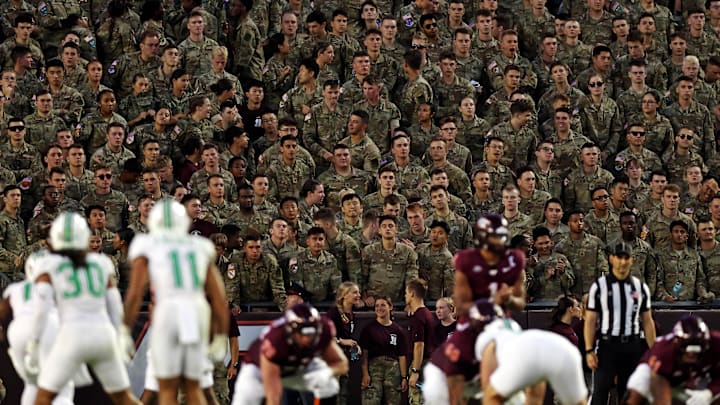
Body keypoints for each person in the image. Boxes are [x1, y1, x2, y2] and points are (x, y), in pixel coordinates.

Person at [25, 213, 141, 405]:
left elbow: (41, 311)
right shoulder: (101, 263)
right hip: (102, 335)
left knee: (43, 398)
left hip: (71, 336)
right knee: (123, 398)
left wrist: (34, 344)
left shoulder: (48, 264)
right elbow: (115, 308)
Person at [123, 199, 229, 405]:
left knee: (167, 388)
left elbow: (135, 294)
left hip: (168, 308)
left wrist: (123, 329)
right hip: (195, 310)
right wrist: (221, 333)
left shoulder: (147, 244)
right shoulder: (199, 245)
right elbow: (218, 297)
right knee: (193, 385)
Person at [231, 303, 349, 405]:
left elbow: (341, 363)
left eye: (310, 331)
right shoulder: (275, 339)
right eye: (302, 331)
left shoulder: (323, 330)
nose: (306, 338)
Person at [475, 300, 588, 405]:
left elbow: (488, 389)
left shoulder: (489, 338)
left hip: (549, 358)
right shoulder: (491, 336)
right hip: (555, 358)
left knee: (493, 396)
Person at [584, 241, 657, 405]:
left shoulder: (639, 286)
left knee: (630, 395)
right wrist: (589, 350)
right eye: (619, 257)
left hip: (632, 345)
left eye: (626, 258)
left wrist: (654, 351)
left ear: (632, 260)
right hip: (607, 345)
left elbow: (647, 320)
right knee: (600, 392)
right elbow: (590, 320)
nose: (623, 262)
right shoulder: (600, 286)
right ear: (611, 259)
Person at [625, 316, 720, 405]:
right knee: (638, 387)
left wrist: (710, 392)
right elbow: (659, 383)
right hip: (661, 372)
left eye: (696, 354)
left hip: (702, 375)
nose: (691, 357)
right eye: (688, 353)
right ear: (677, 344)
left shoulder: (716, 344)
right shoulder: (663, 351)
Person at [452, 213, 527, 317]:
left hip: (500, 322)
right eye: (496, 236)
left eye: (502, 235)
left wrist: (508, 299)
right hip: (472, 324)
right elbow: (460, 308)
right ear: (483, 237)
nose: (500, 241)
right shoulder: (467, 260)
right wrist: (491, 303)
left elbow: (520, 305)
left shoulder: (514, 259)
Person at [360, 295, 409, 405]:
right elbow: (364, 355)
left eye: (383, 305)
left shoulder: (398, 330)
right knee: (370, 401)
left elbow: (402, 355)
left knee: (394, 401)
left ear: (390, 307)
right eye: (377, 306)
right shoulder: (369, 329)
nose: (379, 308)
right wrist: (365, 374)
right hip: (374, 370)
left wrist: (404, 377)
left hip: (393, 369)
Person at [326, 281, 363, 404]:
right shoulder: (333, 313)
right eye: (355, 292)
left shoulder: (351, 314)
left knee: (344, 394)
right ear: (344, 295)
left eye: (359, 292)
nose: (359, 295)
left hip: (344, 360)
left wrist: (354, 346)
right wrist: (342, 341)